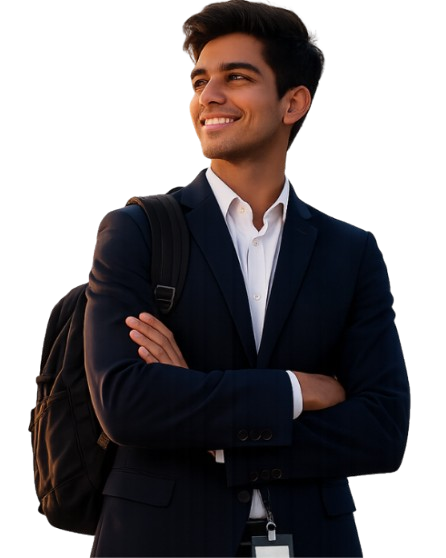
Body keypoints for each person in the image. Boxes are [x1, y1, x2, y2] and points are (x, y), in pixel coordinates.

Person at [84, 1, 411, 556]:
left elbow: (382, 431)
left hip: (313, 543)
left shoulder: (350, 251)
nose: (208, 96)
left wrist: (202, 415)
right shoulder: (137, 230)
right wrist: (296, 390)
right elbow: (127, 404)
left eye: (236, 77)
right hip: (160, 541)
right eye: (199, 81)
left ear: (293, 102)